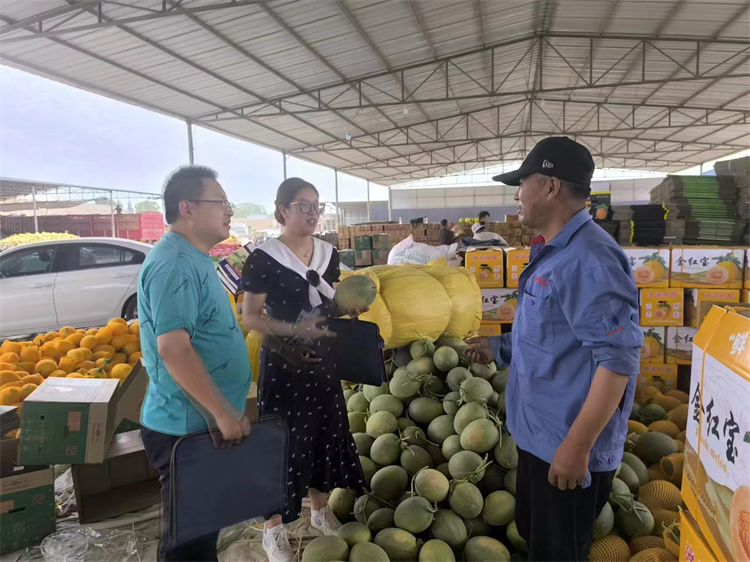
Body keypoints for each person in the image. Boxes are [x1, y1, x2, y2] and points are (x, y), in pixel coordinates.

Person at [467, 137, 642, 561]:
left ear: (550, 187)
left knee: (558, 553)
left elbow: (616, 361)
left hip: (565, 446)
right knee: (538, 538)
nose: (516, 195)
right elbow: (551, 333)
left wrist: (576, 447)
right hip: (538, 436)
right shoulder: (553, 250)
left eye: (522, 183)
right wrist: (500, 346)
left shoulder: (590, 259)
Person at [241, 178, 365, 562]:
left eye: (317, 205)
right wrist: (292, 337)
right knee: (283, 442)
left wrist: (349, 310)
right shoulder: (265, 257)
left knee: (324, 432)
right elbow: (251, 318)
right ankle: (273, 530)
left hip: (322, 360)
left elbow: (330, 303)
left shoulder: (328, 253)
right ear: (282, 211)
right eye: (304, 206)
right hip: (283, 363)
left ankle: (319, 510)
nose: (313, 213)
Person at [137, 165, 253, 561]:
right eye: (219, 202)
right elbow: (173, 348)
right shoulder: (175, 264)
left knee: (195, 531)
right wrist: (222, 412)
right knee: (191, 542)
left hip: (200, 422)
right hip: (188, 428)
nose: (229, 210)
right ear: (187, 208)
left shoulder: (194, 256)